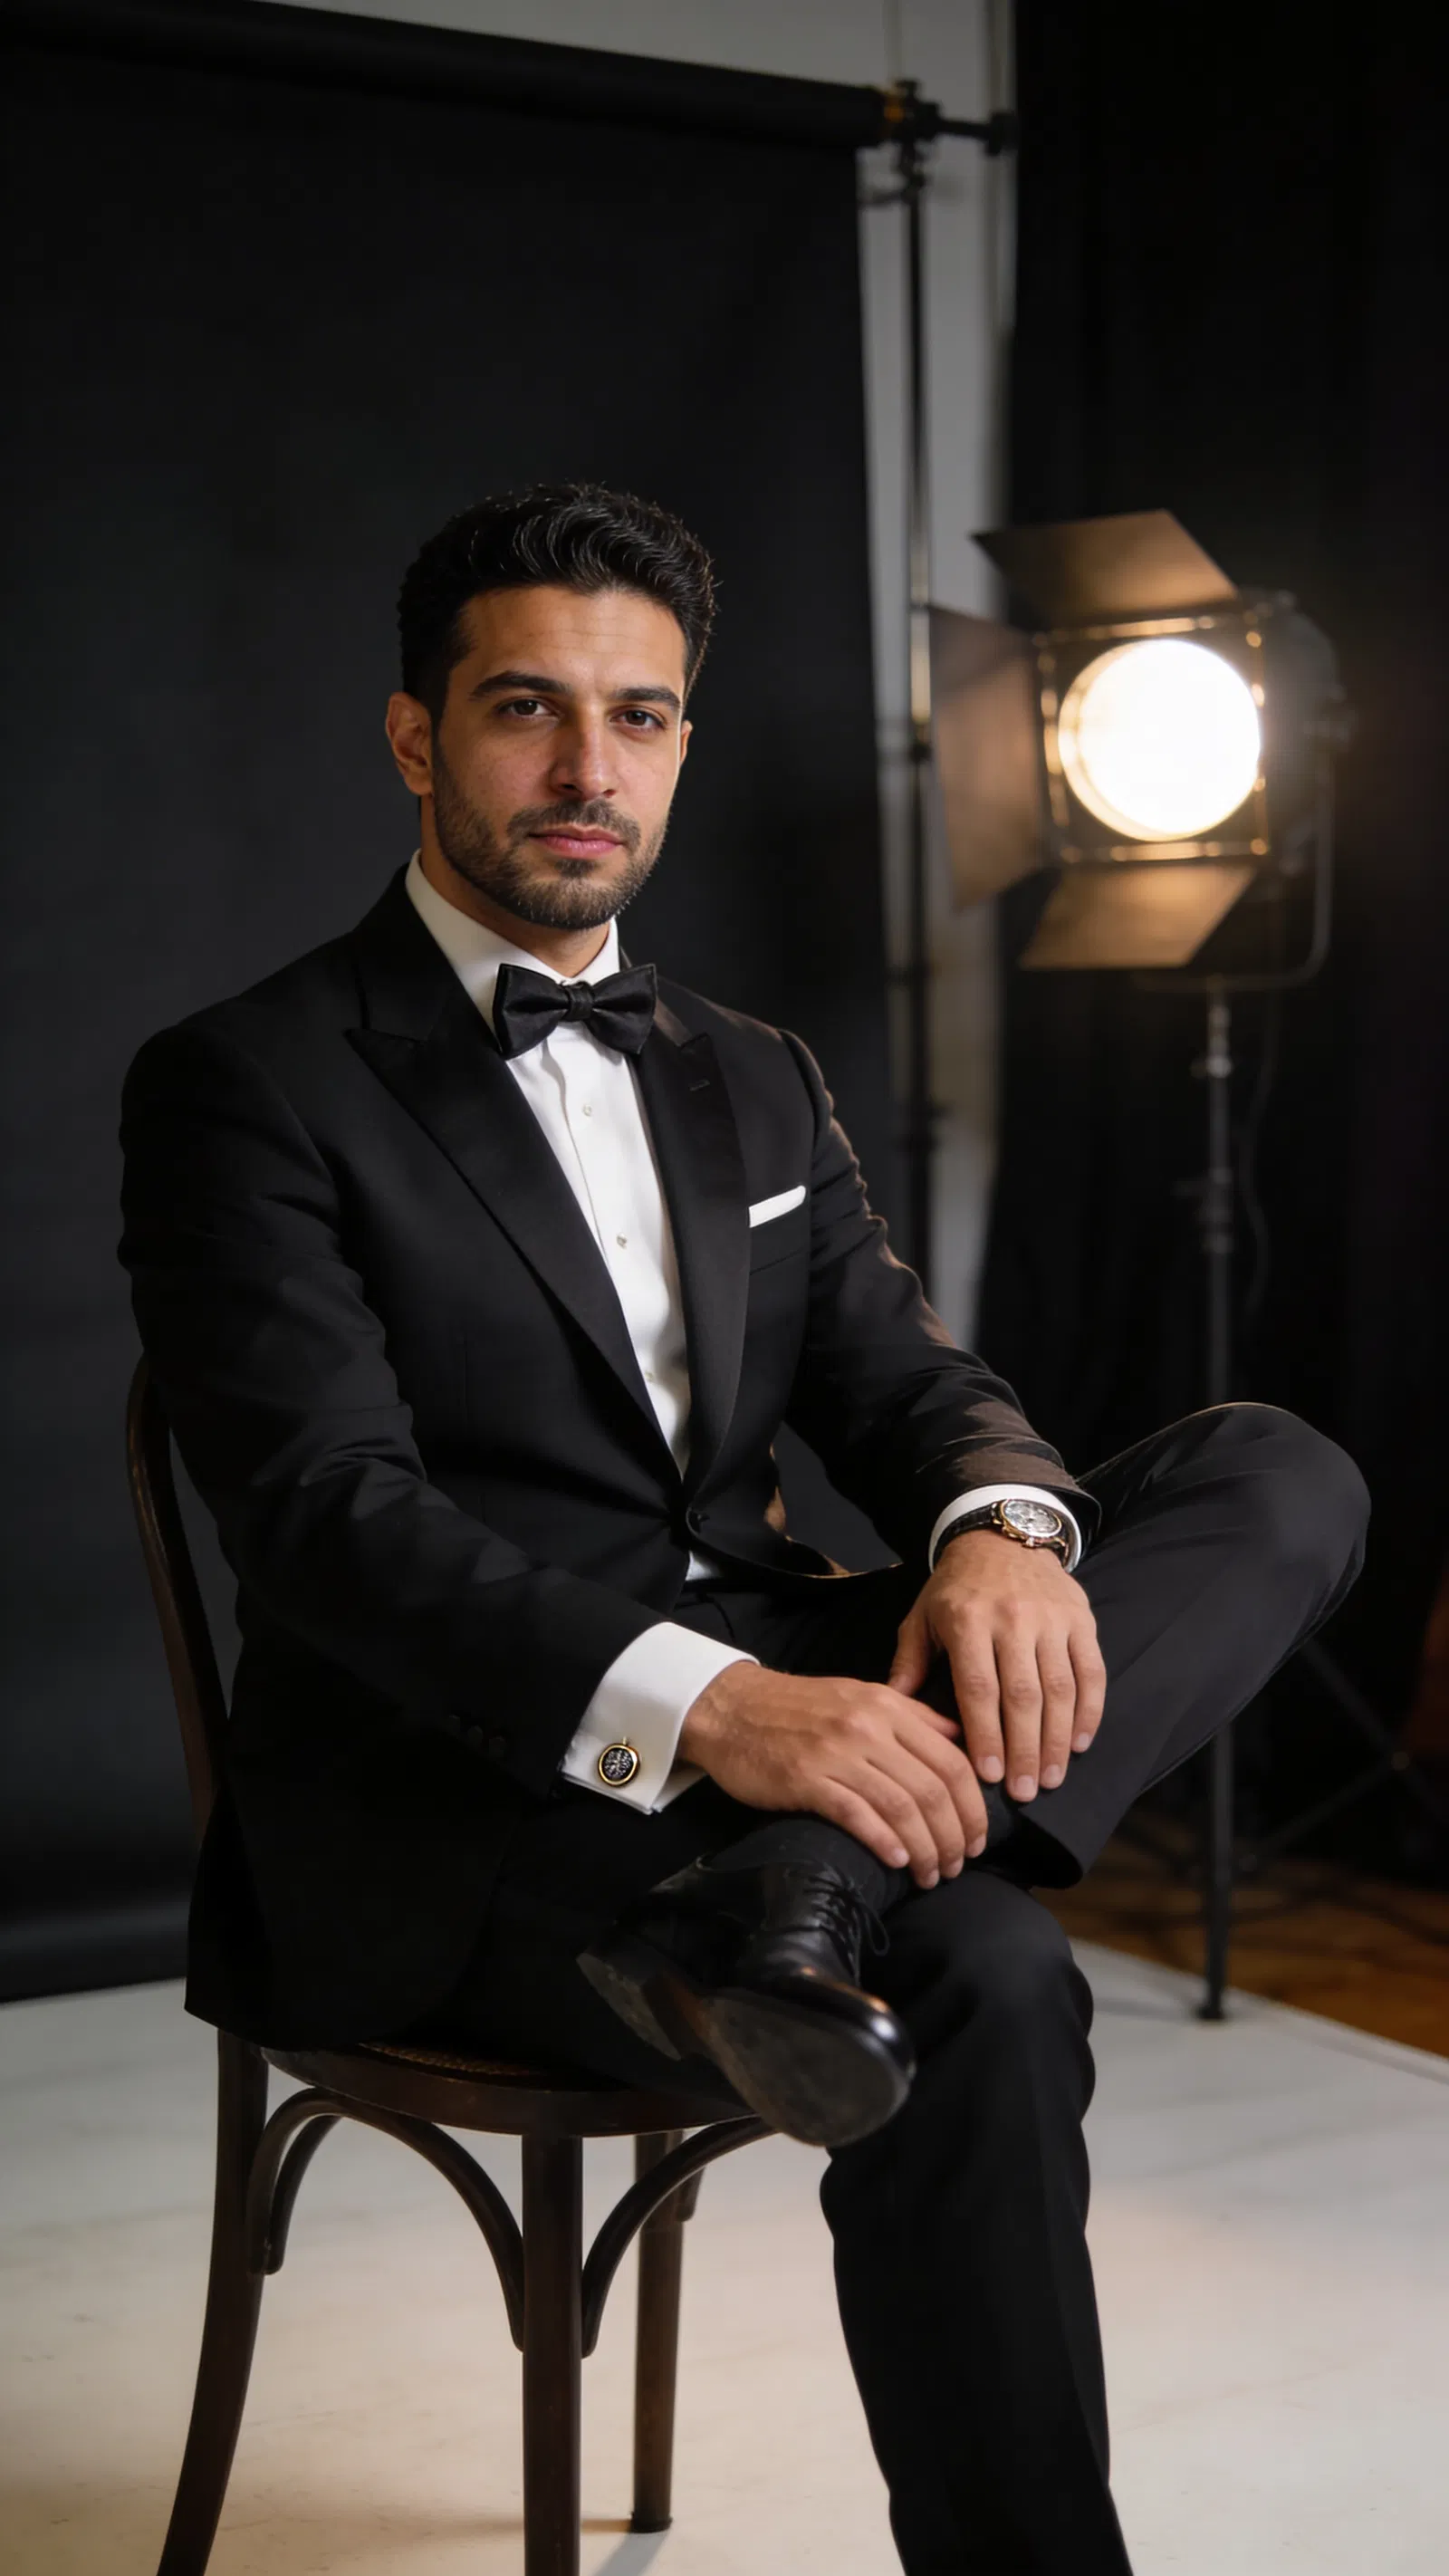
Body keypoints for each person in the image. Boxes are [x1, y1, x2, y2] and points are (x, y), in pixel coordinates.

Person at [120, 483, 1367, 2576]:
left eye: (639, 715)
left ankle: (785, 1897)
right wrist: (719, 1716)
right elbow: (326, 1526)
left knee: (1274, 1466)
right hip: (464, 1803)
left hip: (764, 1767)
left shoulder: (753, 1076)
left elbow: (904, 1382)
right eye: (527, 708)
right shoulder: (248, 1081)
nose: (585, 767)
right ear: (418, 735)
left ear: (685, 742)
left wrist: (993, 1537)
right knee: (979, 1962)